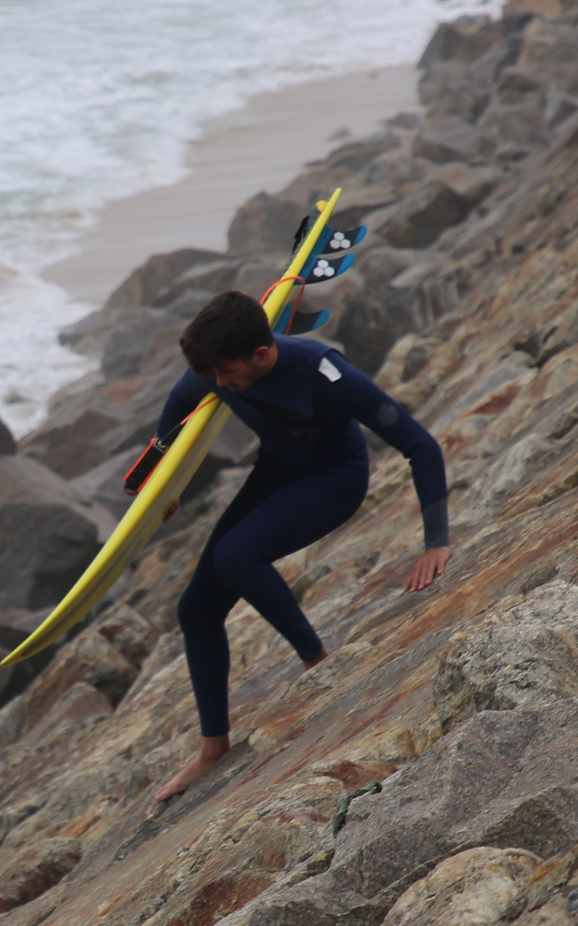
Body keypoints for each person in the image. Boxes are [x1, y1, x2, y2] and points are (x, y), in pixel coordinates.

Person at [146, 290, 450, 804]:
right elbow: (181, 401)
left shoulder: (325, 375)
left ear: (262, 355)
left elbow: (420, 443)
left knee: (236, 555)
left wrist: (435, 541)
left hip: (335, 479)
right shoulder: (218, 364)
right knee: (195, 610)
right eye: (214, 376)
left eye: (227, 374)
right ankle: (213, 747)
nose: (219, 386)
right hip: (279, 472)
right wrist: (163, 473)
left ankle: (317, 662)